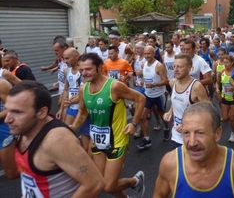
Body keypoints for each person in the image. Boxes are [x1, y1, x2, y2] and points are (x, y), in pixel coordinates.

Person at [153, 102, 234, 198]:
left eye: (200, 133)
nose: (192, 142)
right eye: (186, 133)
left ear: (217, 134)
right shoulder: (170, 163)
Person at [5, 80, 105, 197]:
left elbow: (94, 183)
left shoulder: (57, 140)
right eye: (8, 110)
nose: (7, 119)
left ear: (42, 113)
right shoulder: (23, 129)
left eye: (17, 112)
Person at [71, 53, 146, 198]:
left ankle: (135, 181)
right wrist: (73, 128)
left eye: (88, 69)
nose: (84, 73)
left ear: (99, 67)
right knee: (101, 183)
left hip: (116, 140)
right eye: (81, 70)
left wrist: (134, 123)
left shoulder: (114, 86)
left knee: (109, 186)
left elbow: (140, 98)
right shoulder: (83, 89)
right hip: (97, 140)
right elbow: (82, 112)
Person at [163, 54, 209, 148]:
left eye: (179, 67)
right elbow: (176, 101)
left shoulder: (196, 87)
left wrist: (188, 126)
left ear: (190, 68)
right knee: (177, 162)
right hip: (176, 134)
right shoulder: (172, 82)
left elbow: (208, 112)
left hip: (193, 137)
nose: (175, 69)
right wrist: (170, 112)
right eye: (174, 66)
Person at [137, 46, 170, 150]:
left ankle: (167, 128)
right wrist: (142, 81)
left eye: (149, 54)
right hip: (148, 95)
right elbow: (145, 76)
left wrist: (154, 84)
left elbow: (166, 81)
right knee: (142, 117)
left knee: (162, 115)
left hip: (159, 95)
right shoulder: (144, 64)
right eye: (145, 54)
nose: (146, 56)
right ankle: (147, 139)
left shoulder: (159, 65)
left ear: (154, 54)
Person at [216, 55, 234, 142]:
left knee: (232, 117)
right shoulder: (222, 72)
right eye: (224, 62)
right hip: (225, 98)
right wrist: (218, 88)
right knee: (225, 118)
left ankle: (233, 133)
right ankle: (233, 122)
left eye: (227, 62)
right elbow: (217, 83)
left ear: (232, 63)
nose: (225, 64)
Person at [0, 79, 18, 179]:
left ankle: (41, 166)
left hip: (3, 130)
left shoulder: (2, 84)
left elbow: (14, 107)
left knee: (11, 173)